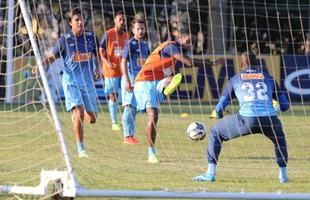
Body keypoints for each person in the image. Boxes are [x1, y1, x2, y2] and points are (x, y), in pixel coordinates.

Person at [193, 52, 290, 183]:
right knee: (280, 140)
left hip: (247, 120)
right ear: (258, 64)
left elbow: (219, 108)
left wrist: (219, 113)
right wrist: (275, 106)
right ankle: (283, 176)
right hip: (270, 119)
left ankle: (210, 174)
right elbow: (285, 105)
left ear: (240, 64)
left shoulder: (235, 79)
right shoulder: (269, 78)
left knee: (215, 132)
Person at [32, 7, 100, 158]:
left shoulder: (91, 37)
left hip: (87, 82)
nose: (80, 22)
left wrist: (97, 69)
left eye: (82, 19)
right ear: (70, 23)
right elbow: (52, 57)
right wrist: (41, 65)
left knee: (92, 118)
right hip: (71, 82)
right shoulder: (65, 40)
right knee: (79, 112)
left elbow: (97, 54)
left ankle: (77, 116)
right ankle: (81, 149)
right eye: (77, 20)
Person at [134, 28, 194, 163]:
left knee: (174, 76)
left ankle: (165, 90)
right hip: (144, 81)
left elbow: (179, 67)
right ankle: (151, 154)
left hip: (157, 82)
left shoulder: (174, 57)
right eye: (189, 40)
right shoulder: (171, 46)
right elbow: (189, 63)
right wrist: (210, 62)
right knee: (153, 115)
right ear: (182, 37)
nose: (190, 44)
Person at [120, 18, 149, 144]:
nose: (141, 31)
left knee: (134, 108)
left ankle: (130, 135)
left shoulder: (145, 45)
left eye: (142, 28)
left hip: (140, 81)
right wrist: (127, 80)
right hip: (130, 79)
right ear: (133, 30)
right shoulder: (130, 44)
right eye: (138, 29)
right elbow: (122, 62)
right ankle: (127, 136)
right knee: (128, 106)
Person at [99, 11, 128, 131]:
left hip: (123, 70)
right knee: (113, 96)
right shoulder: (108, 34)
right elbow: (101, 50)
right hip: (111, 70)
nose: (122, 22)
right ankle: (114, 123)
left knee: (127, 96)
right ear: (115, 20)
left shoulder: (126, 36)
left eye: (123, 20)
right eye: (120, 19)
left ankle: (126, 121)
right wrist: (107, 62)